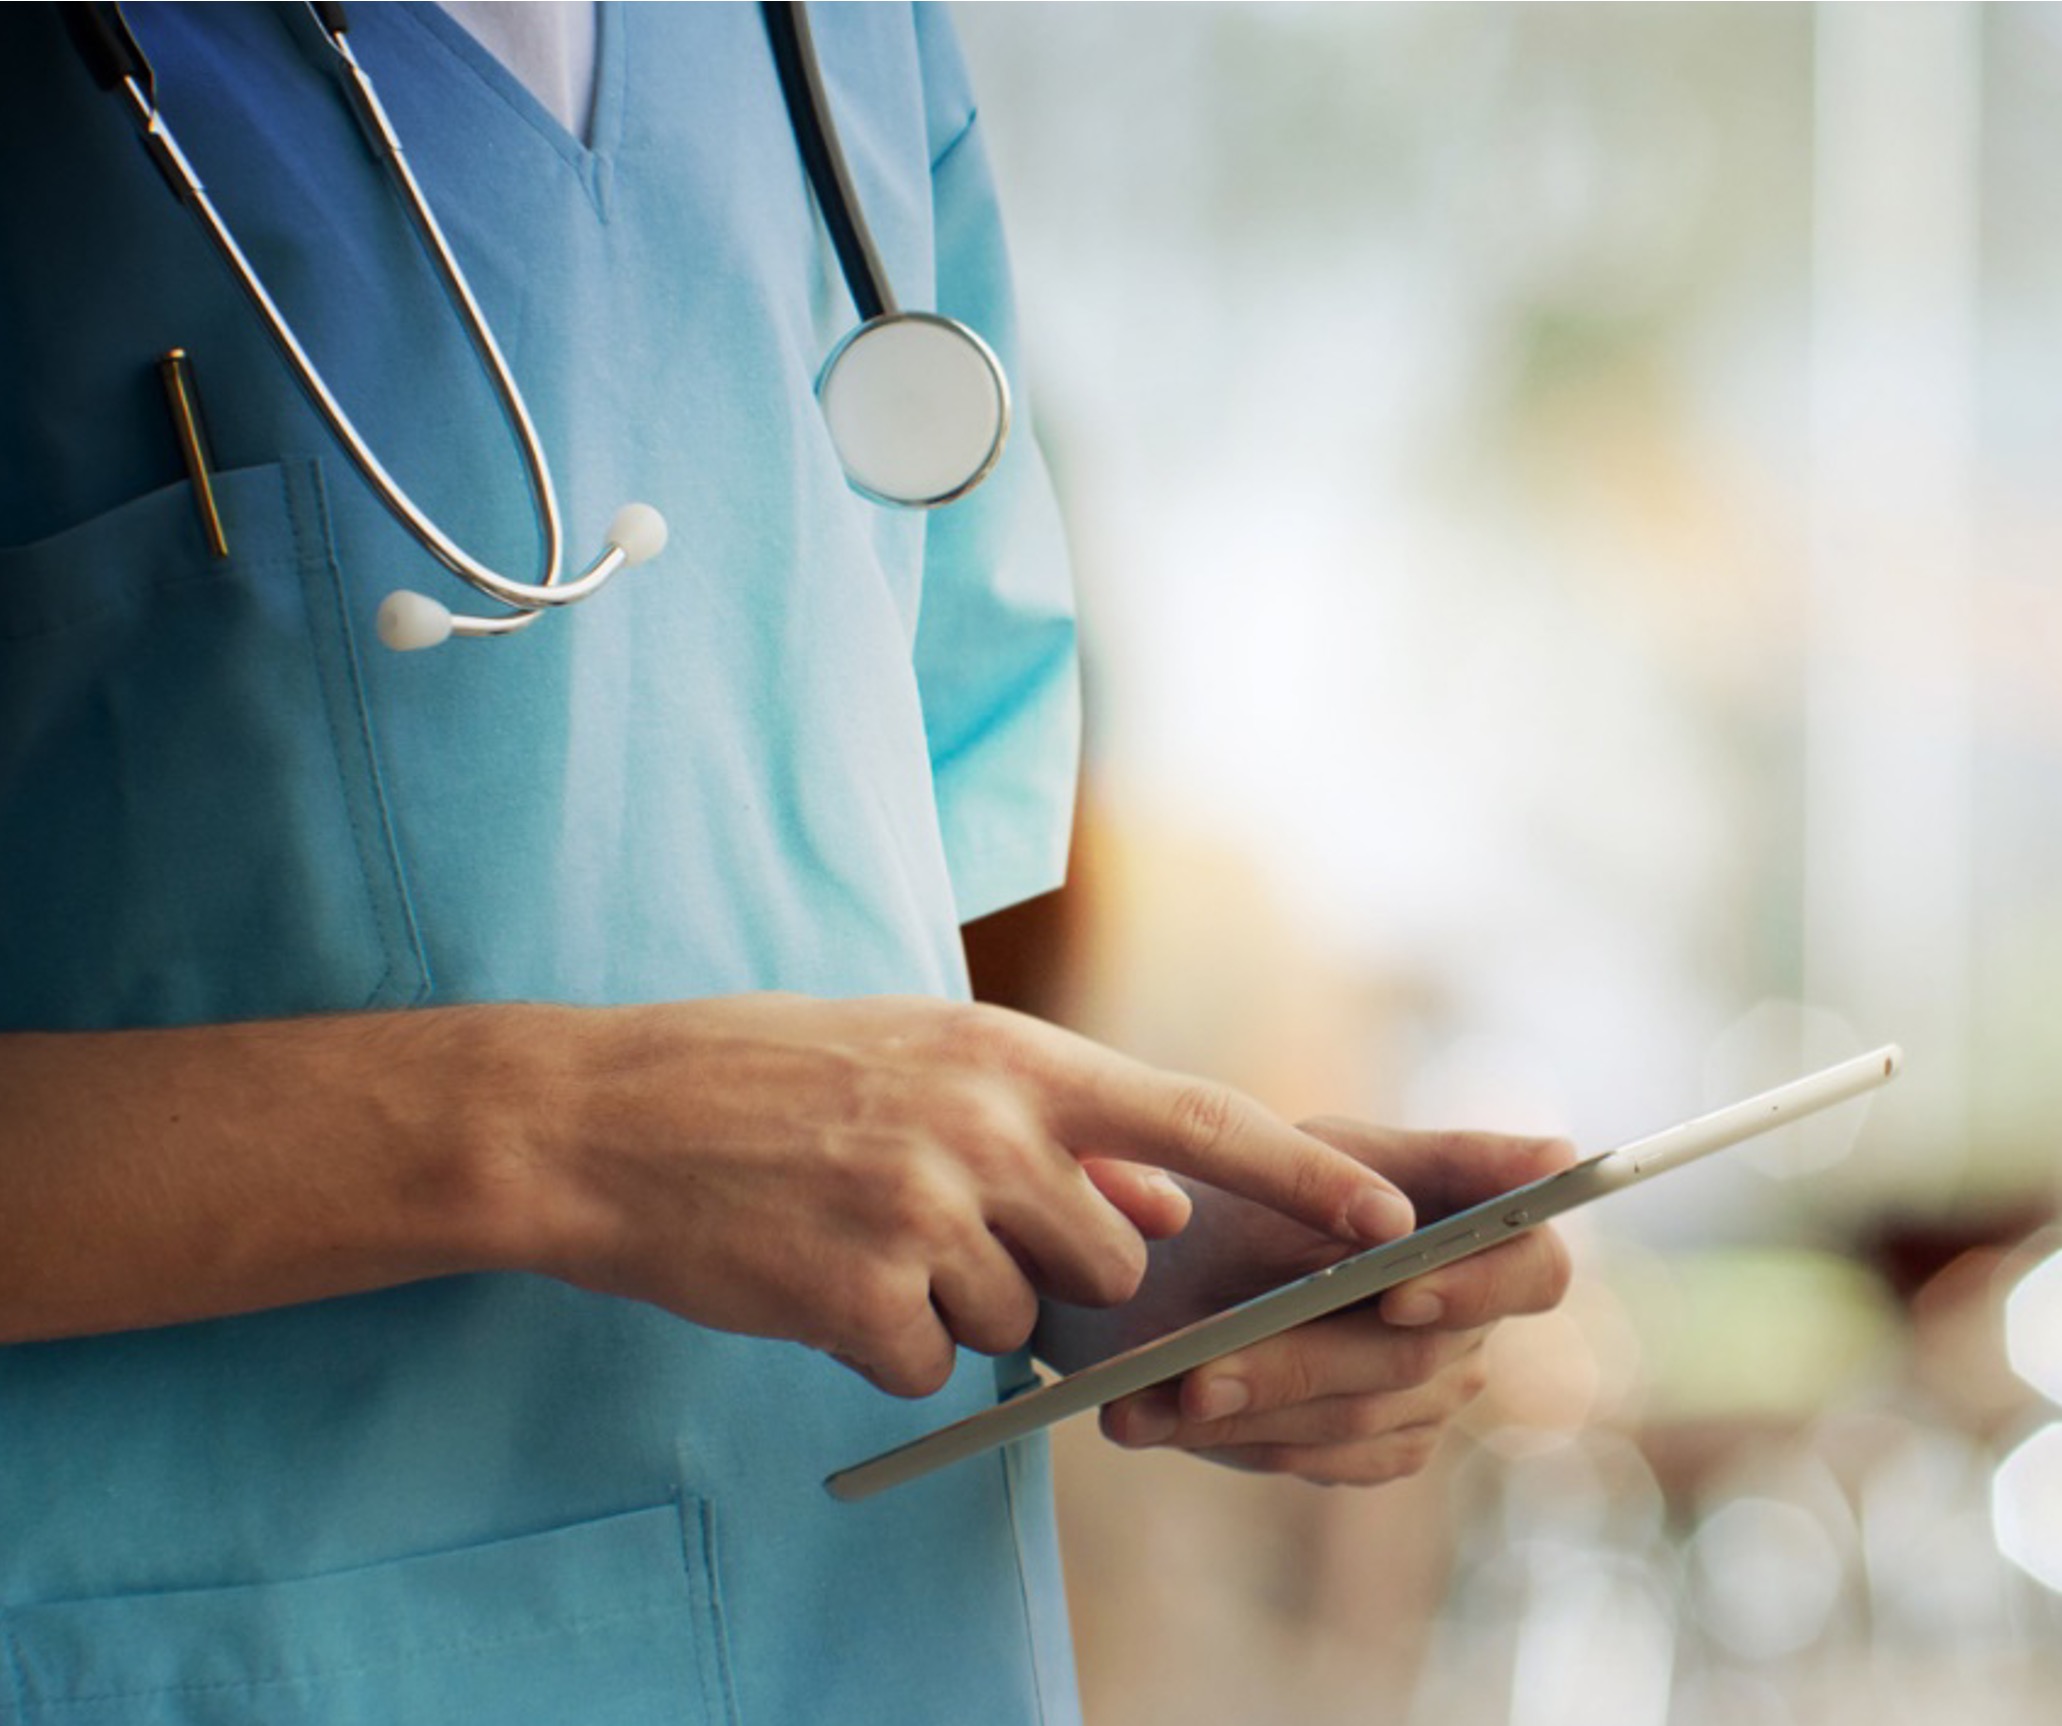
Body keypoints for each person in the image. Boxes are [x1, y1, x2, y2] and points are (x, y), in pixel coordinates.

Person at [0, 5, 1571, 1722]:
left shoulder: (842, 43)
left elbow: (819, 933)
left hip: (886, 1650)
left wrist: (1121, 1252)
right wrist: (563, 1130)